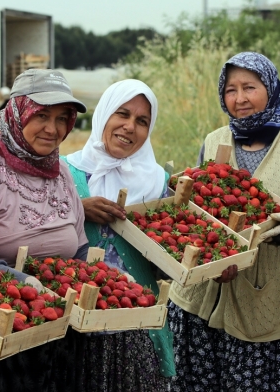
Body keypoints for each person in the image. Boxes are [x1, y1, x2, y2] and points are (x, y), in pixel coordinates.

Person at [167, 52, 280, 391]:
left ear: (270, 89)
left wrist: (279, 228)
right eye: (230, 89)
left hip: (265, 298)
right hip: (201, 296)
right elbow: (195, 212)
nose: (239, 99)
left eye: (249, 87)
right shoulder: (214, 140)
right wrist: (215, 256)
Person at [0, 69, 89, 392]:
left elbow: (79, 249)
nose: (52, 129)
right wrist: (20, 281)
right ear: (17, 112)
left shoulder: (61, 171)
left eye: (62, 118)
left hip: (60, 336)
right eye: (41, 115)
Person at [62, 79, 175, 391]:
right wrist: (77, 208)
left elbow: (170, 257)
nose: (129, 127)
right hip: (73, 325)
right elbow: (32, 231)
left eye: (142, 121)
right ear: (104, 114)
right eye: (122, 114)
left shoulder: (158, 183)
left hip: (137, 326)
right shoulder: (62, 172)